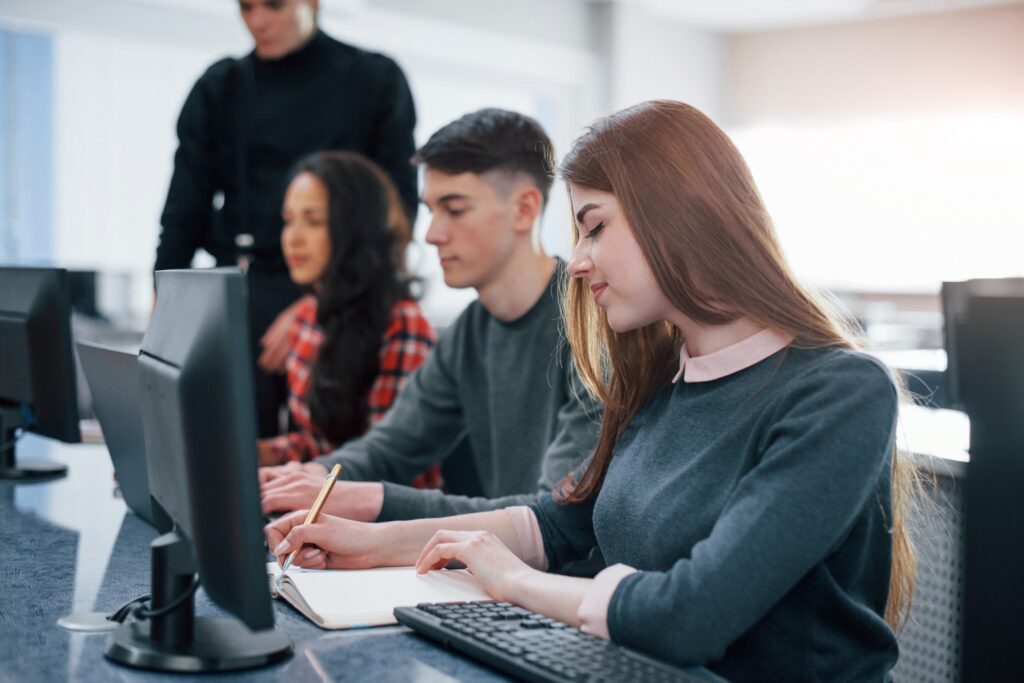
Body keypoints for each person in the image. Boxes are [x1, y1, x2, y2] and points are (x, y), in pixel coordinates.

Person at [264, 101, 917, 682]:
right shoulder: (659, 378)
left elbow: (690, 615)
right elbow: (555, 523)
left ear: (676, 215)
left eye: (594, 226)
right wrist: (372, 542)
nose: (576, 261)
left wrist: (516, 583)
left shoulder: (840, 392)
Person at [259, 109, 601, 524]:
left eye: (454, 210)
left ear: (524, 209)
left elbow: (554, 520)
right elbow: (390, 447)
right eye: (431, 210)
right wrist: (307, 478)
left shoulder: (593, 322)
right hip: (502, 555)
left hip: (556, 563)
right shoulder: (471, 330)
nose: (432, 234)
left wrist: (369, 500)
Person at [154, 0, 417, 437]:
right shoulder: (221, 87)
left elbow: (397, 210)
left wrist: (318, 306)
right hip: (242, 293)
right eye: (246, 7)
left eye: (274, 5)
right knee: (230, 446)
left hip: (344, 300)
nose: (258, 20)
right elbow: (184, 209)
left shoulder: (373, 79)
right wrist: (163, 311)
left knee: (332, 444)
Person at [257, 151, 439, 487]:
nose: (293, 237)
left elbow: (385, 464)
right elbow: (317, 444)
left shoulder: (404, 324)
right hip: (325, 494)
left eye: (314, 221)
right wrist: (260, 453)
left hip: (383, 510)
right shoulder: (307, 317)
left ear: (355, 228)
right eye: (289, 220)